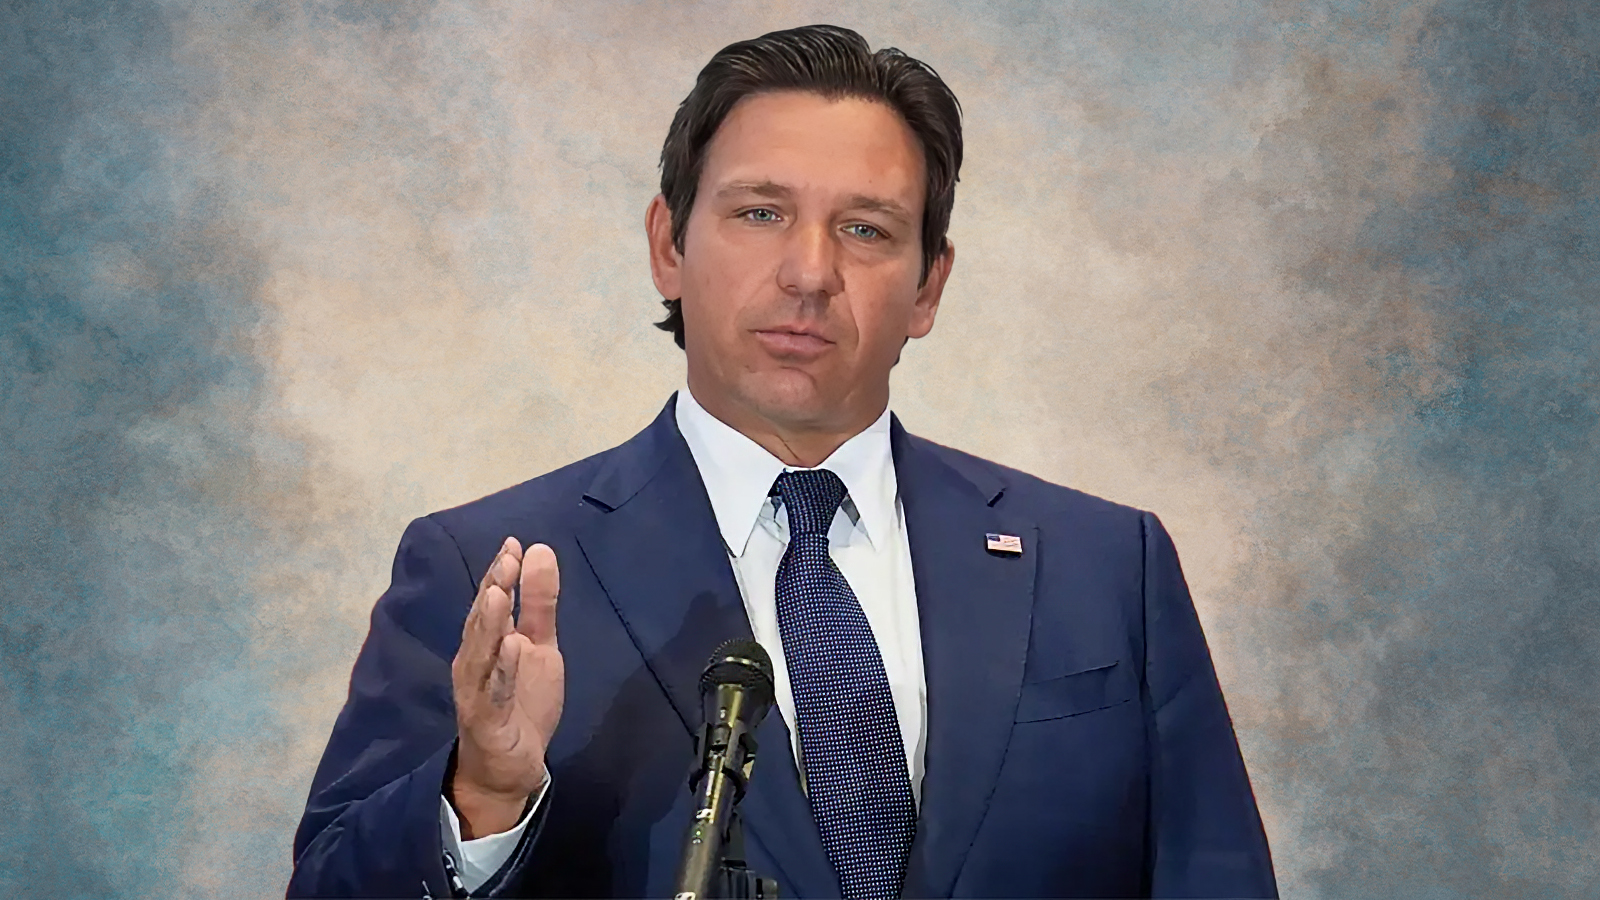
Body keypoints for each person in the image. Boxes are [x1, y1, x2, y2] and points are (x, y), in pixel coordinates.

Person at [287, 24, 1277, 900]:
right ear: (668, 245)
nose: (810, 272)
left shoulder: (1106, 566)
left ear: (928, 287)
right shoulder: (489, 573)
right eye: (760, 213)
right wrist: (483, 794)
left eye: (866, 229)